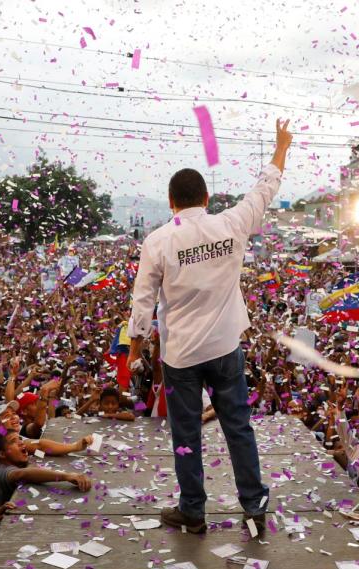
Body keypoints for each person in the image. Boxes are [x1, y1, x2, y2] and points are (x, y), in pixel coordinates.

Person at [126, 118, 293, 536]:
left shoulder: (159, 241)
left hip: (181, 357)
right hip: (223, 349)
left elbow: (143, 300)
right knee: (238, 427)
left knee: (186, 434)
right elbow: (264, 190)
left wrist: (134, 349)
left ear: (170, 202)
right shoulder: (230, 224)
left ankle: (193, 511)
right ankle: (253, 506)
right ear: (206, 197)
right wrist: (281, 147)